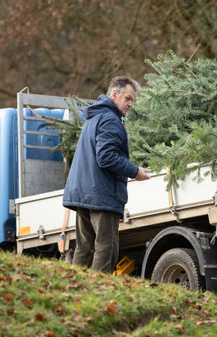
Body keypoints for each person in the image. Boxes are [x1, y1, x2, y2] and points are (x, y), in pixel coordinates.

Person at [63, 76, 151, 272]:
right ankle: (98, 294)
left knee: (84, 248)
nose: (130, 104)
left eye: (132, 100)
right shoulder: (110, 120)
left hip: (83, 194)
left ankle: (74, 290)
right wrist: (134, 171)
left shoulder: (94, 117)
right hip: (101, 195)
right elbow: (106, 157)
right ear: (114, 94)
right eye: (128, 98)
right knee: (106, 247)